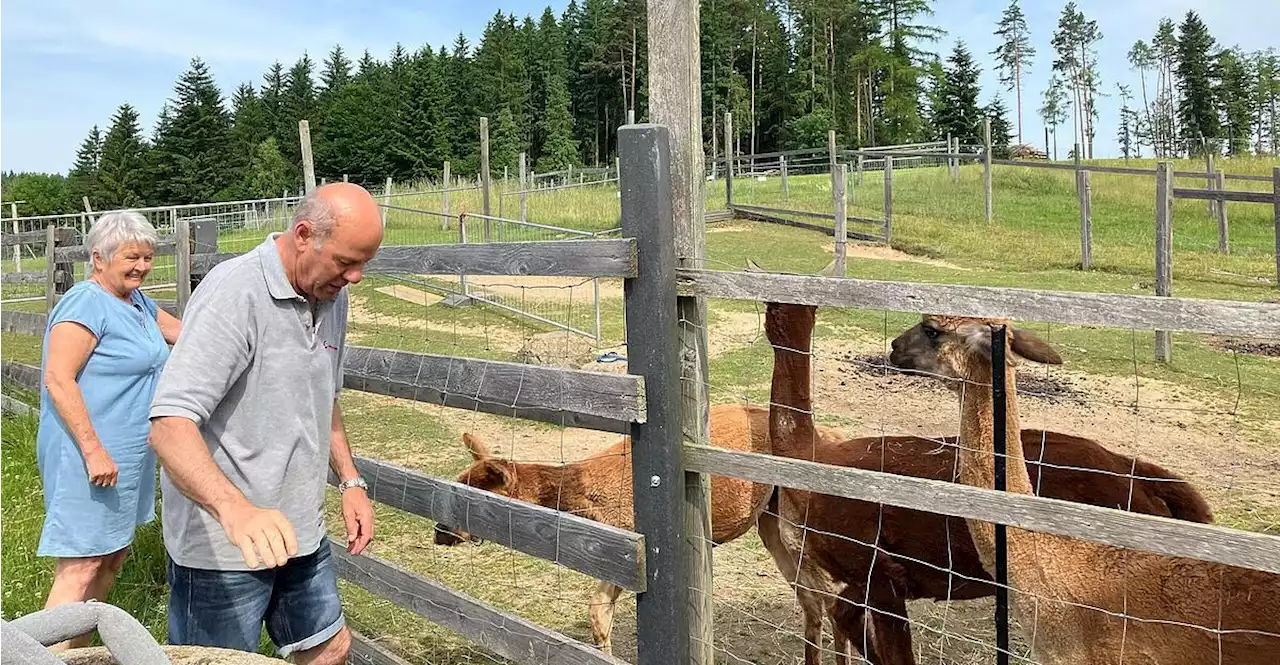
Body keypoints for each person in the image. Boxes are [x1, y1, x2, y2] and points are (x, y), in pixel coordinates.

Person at [147, 182, 383, 665]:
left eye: (364, 263)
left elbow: (325, 397)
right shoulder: (235, 293)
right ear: (303, 235)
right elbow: (169, 424)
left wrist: (350, 481)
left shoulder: (331, 295)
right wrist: (236, 511)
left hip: (300, 529)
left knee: (329, 649)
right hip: (224, 544)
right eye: (345, 261)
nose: (355, 276)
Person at [35, 211, 182, 650]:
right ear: (99, 257)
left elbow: (187, 333)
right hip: (88, 455)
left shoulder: (138, 303)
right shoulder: (86, 303)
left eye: (148, 257)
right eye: (131, 257)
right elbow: (58, 379)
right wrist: (93, 449)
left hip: (129, 456)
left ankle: (77, 655)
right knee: (80, 565)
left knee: (112, 556)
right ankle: (37, 656)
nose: (141, 266)